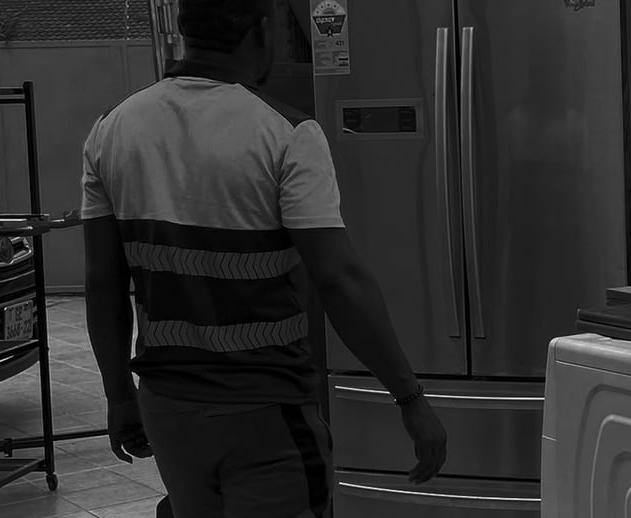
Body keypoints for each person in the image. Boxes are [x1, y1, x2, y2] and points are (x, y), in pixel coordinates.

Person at [80, 1, 446, 516]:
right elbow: (339, 280)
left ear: (184, 28)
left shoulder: (111, 128)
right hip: (265, 408)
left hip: (169, 408)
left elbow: (103, 282)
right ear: (263, 30)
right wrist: (409, 397)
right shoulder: (288, 132)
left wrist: (120, 396)